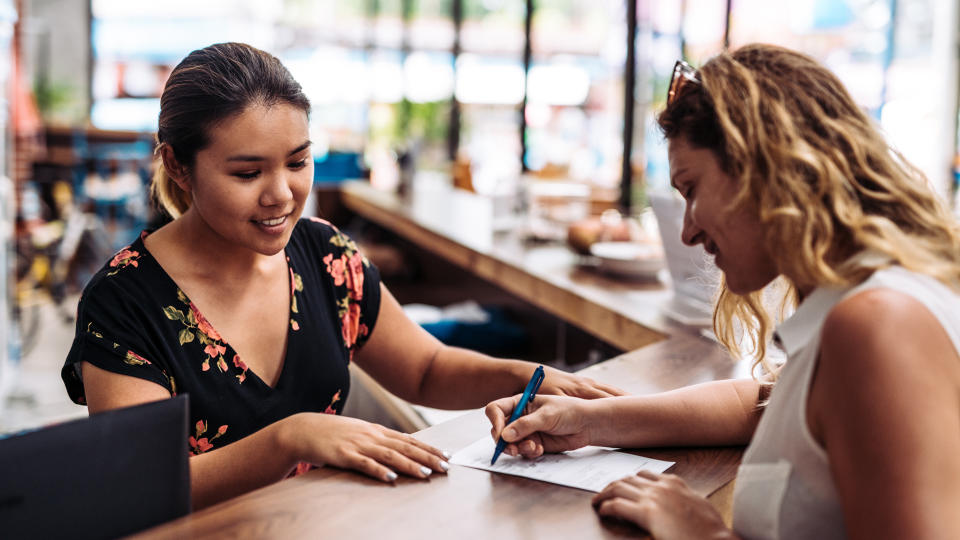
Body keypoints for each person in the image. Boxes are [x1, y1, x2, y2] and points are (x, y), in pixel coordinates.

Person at [61, 42, 623, 510]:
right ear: (179, 165)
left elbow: (425, 369)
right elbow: (143, 489)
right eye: (247, 172)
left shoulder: (325, 255)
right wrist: (291, 437)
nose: (281, 194)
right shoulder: (124, 301)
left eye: (298, 162)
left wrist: (527, 377)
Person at [485, 43, 960, 539]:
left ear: (766, 169)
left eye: (691, 189)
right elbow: (765, 403)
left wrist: (706, 535)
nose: (687, 232)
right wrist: (590, 422)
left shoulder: (879, 326)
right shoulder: (870, 303)